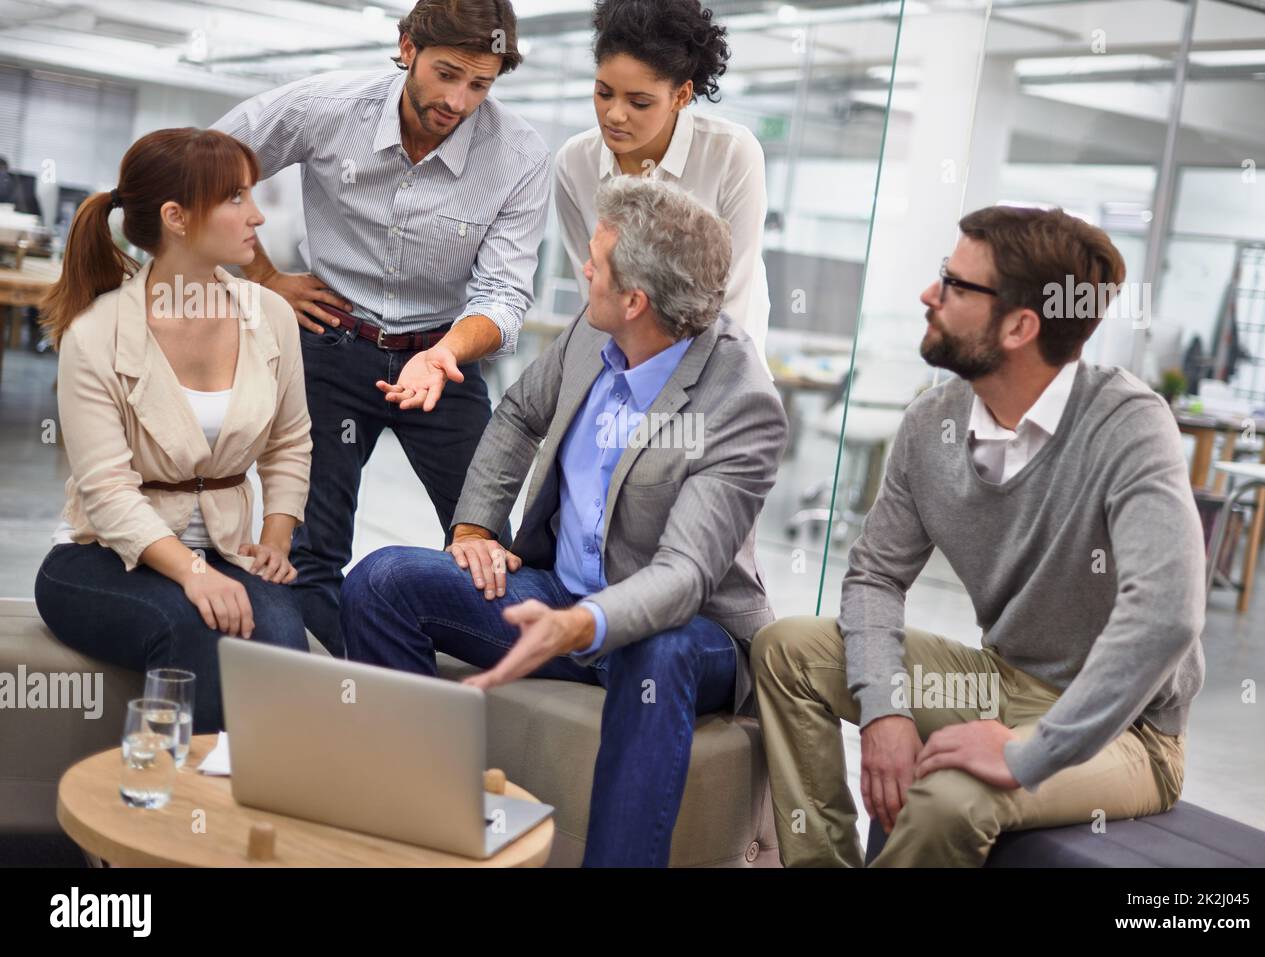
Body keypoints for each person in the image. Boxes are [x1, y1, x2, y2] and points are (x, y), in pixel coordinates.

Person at [340, 178, 787, 866]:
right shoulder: (593, 327)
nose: (583, 267)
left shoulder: (739, 401)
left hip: (689, 629)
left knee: (653, 649)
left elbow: (684, 575)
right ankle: (424, 826)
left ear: (635, 299)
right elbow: (519, 413)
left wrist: (583, 625)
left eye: (597, 261)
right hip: (559, 593)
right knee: (382, 580)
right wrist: (476, 529)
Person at [752, 206, 1206, 867]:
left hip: (1132, 733)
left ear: (1022, 325)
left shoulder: (1129, 424)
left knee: (950, 797)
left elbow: (1167, 613)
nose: (928, 295)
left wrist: (1030, 751)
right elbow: (877, 575)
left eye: (955, 285)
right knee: (786, 649)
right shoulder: (930, 423)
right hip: (1000, 679)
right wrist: (884, 709)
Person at [211, 0, 551, 655]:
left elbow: (505, 294)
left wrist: (446, 353)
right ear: (406, 48)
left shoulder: (519, 155)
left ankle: (445, 676)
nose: (458, 99)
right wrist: (263, 275)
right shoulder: (326, 108)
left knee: (489, 548)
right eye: (447, 74)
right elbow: (208, 163)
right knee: (310, 557)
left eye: (480, 84)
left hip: (441, 362)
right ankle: (374, 681)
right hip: (331, 350)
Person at [34, 128, 313, 733]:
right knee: (193, 627)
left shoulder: (271, 316)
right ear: (176, 217)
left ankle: (265, 806)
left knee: (286, 634)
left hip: (224, 548)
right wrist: (193, 573)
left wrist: (276, 537)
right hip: (99, 556)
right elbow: (107, 494)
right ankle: (181, 809)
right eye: (236, 198)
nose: (256, 215)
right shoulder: (96, 334)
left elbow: (290, 442)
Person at [554, 0, 771, 363]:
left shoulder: (731, 154)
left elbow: (735, 299)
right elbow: (595, 295)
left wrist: (699, 394)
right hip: (623, 368)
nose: (615, 114)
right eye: (604, 93)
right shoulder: (575, 163)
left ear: (681, 96)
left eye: (639, 102)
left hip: (720, 371)